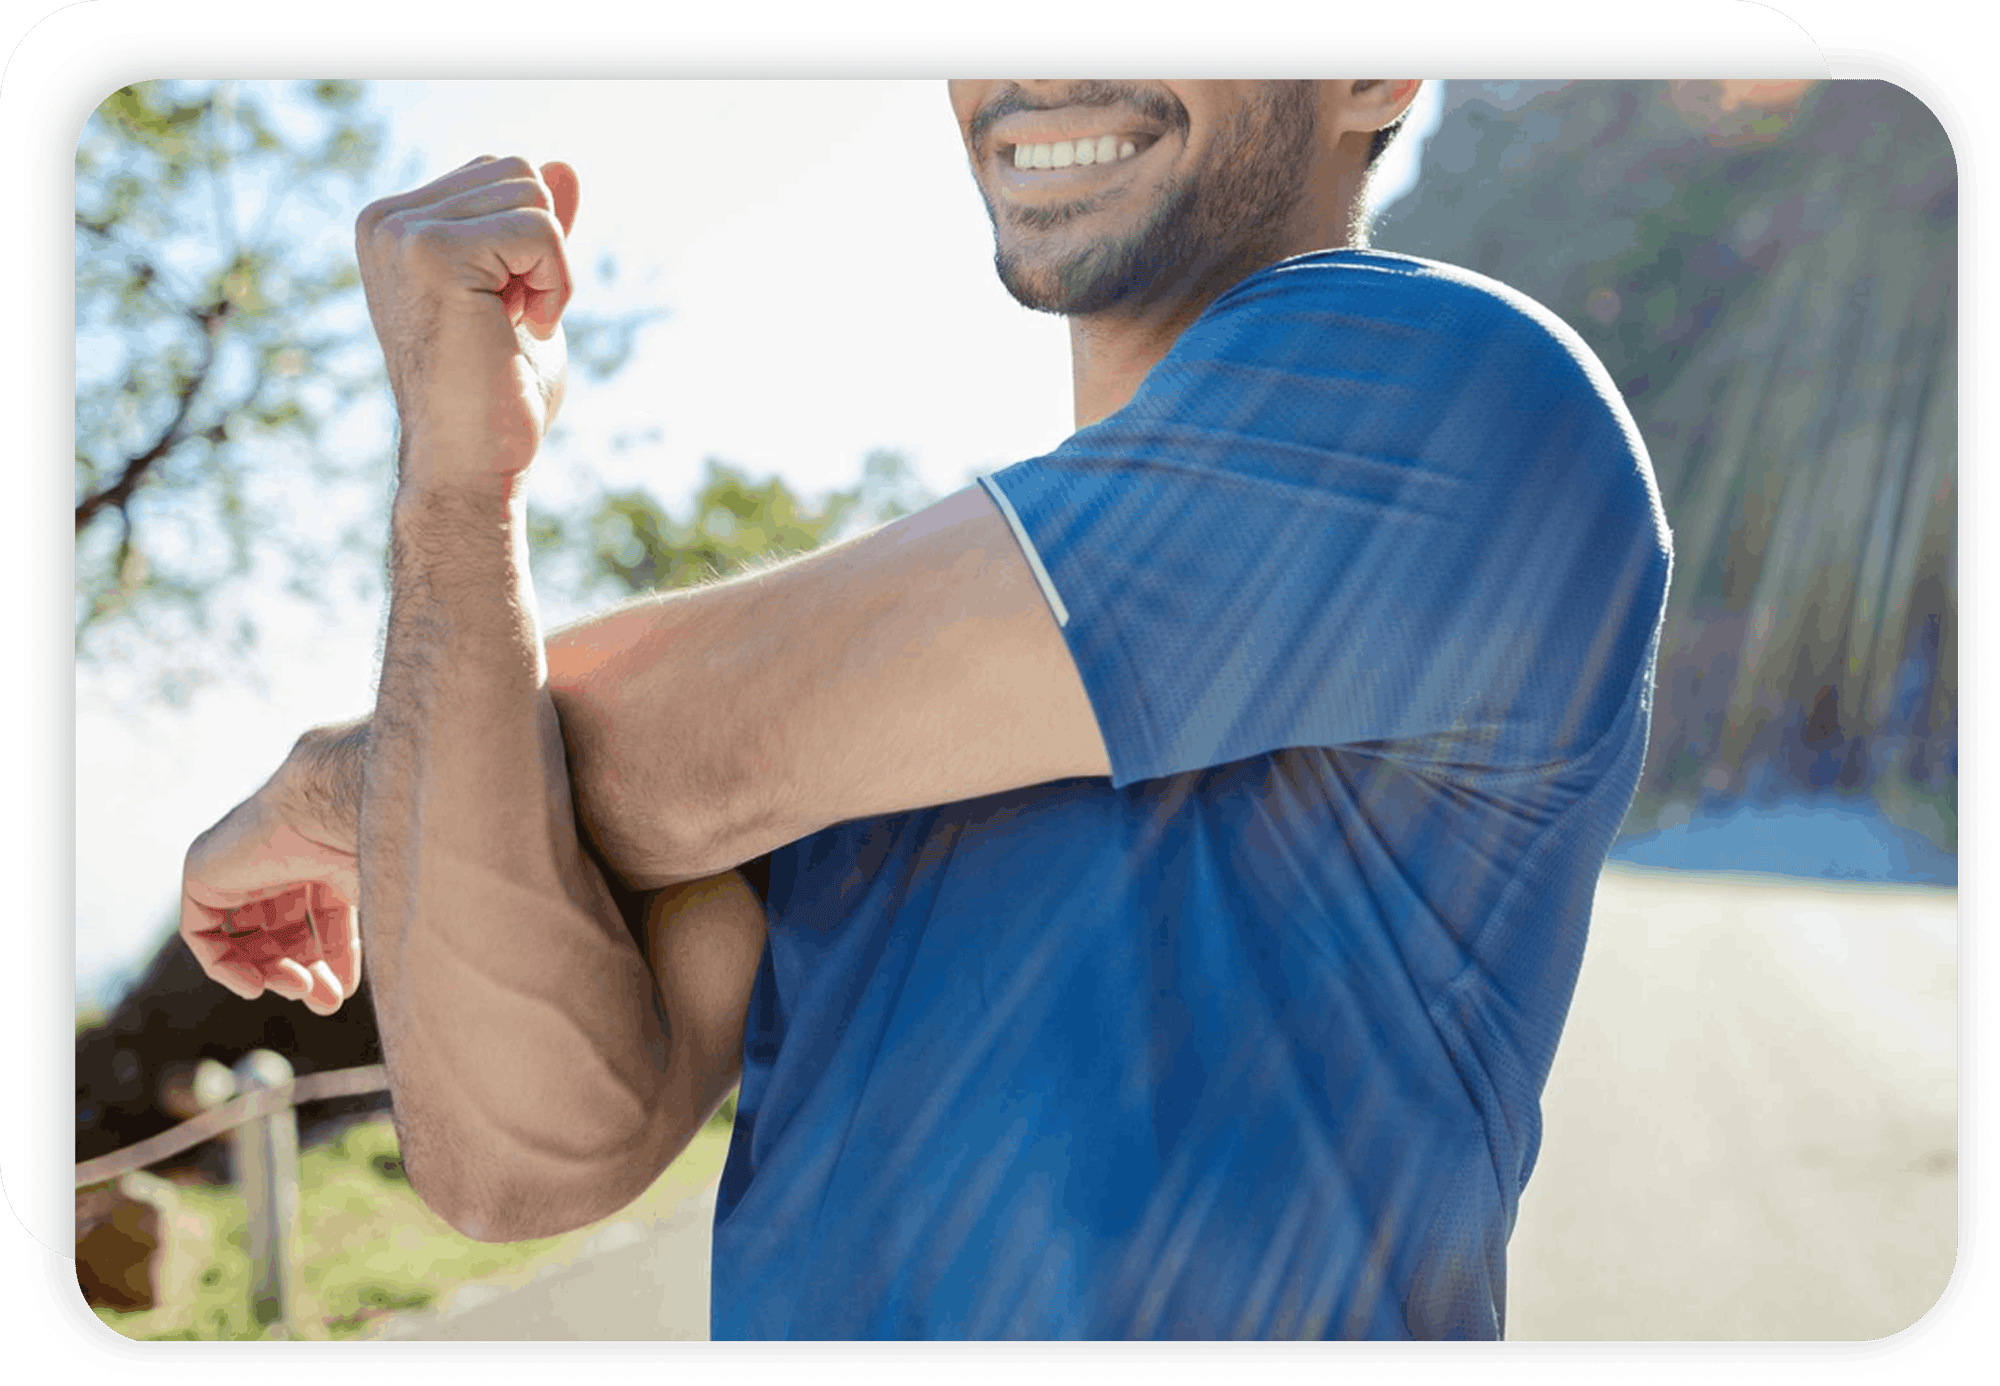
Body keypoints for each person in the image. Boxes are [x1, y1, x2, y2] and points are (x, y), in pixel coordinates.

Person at [179, 80, 1672, 1341]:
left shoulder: (1458, 391)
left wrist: (338, 784)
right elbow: (517, 1161)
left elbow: (681, 755)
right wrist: (456, 490)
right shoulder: (890, 674)